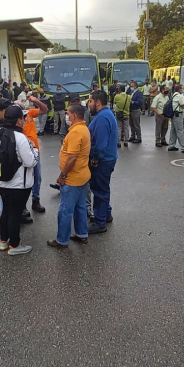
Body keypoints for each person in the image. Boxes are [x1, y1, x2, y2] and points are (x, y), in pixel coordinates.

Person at [0, 105, 39, 255]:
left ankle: (3, 241)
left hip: (2, 181)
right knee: (15, 213)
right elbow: (30, 162)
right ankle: (15, 246)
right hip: (19, 184)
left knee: (6, 211)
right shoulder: (20, 137)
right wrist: (35, 150)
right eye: (23, 118)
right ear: (18, 120)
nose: (24, 121)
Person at [47, 104, 92, 248]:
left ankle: (62, 240)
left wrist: (63, 175)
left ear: (73, 116)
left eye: (68, 113)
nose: (67, 116)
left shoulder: (75, 132)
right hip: (82, 175)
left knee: (65, 211)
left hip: (72, 178)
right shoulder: (83, 129)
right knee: (80, 207)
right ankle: (81, 234)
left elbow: (72, 158)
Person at [87, 90, 118, 234]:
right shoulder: (106, 114)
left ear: (97, 102)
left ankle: (100, 222)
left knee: (100, 191)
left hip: (103, 160)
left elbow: (100, 145)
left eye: (90, 101)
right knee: (103, 187)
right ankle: (106, 214)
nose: (89, 104)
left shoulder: (101, 118)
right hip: (108, 158)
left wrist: (94, 158)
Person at [18, 94, 49, 213]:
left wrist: (36, 101)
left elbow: (44, 110)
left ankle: (36, 200)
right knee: (23, 179)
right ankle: (22, 206)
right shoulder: (14, 120)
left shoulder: (30, 113)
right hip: (22, 152)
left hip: (35, 151)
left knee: (37, 177)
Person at [167, 85, 184, 153]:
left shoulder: (173, 95)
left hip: (174, 115)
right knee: (180, 131)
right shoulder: (180, 96)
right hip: (178, 115)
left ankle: (171, 145)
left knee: (173, 130)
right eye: (182, 89)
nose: (183, 90)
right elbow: (183, 106)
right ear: (179, 90)